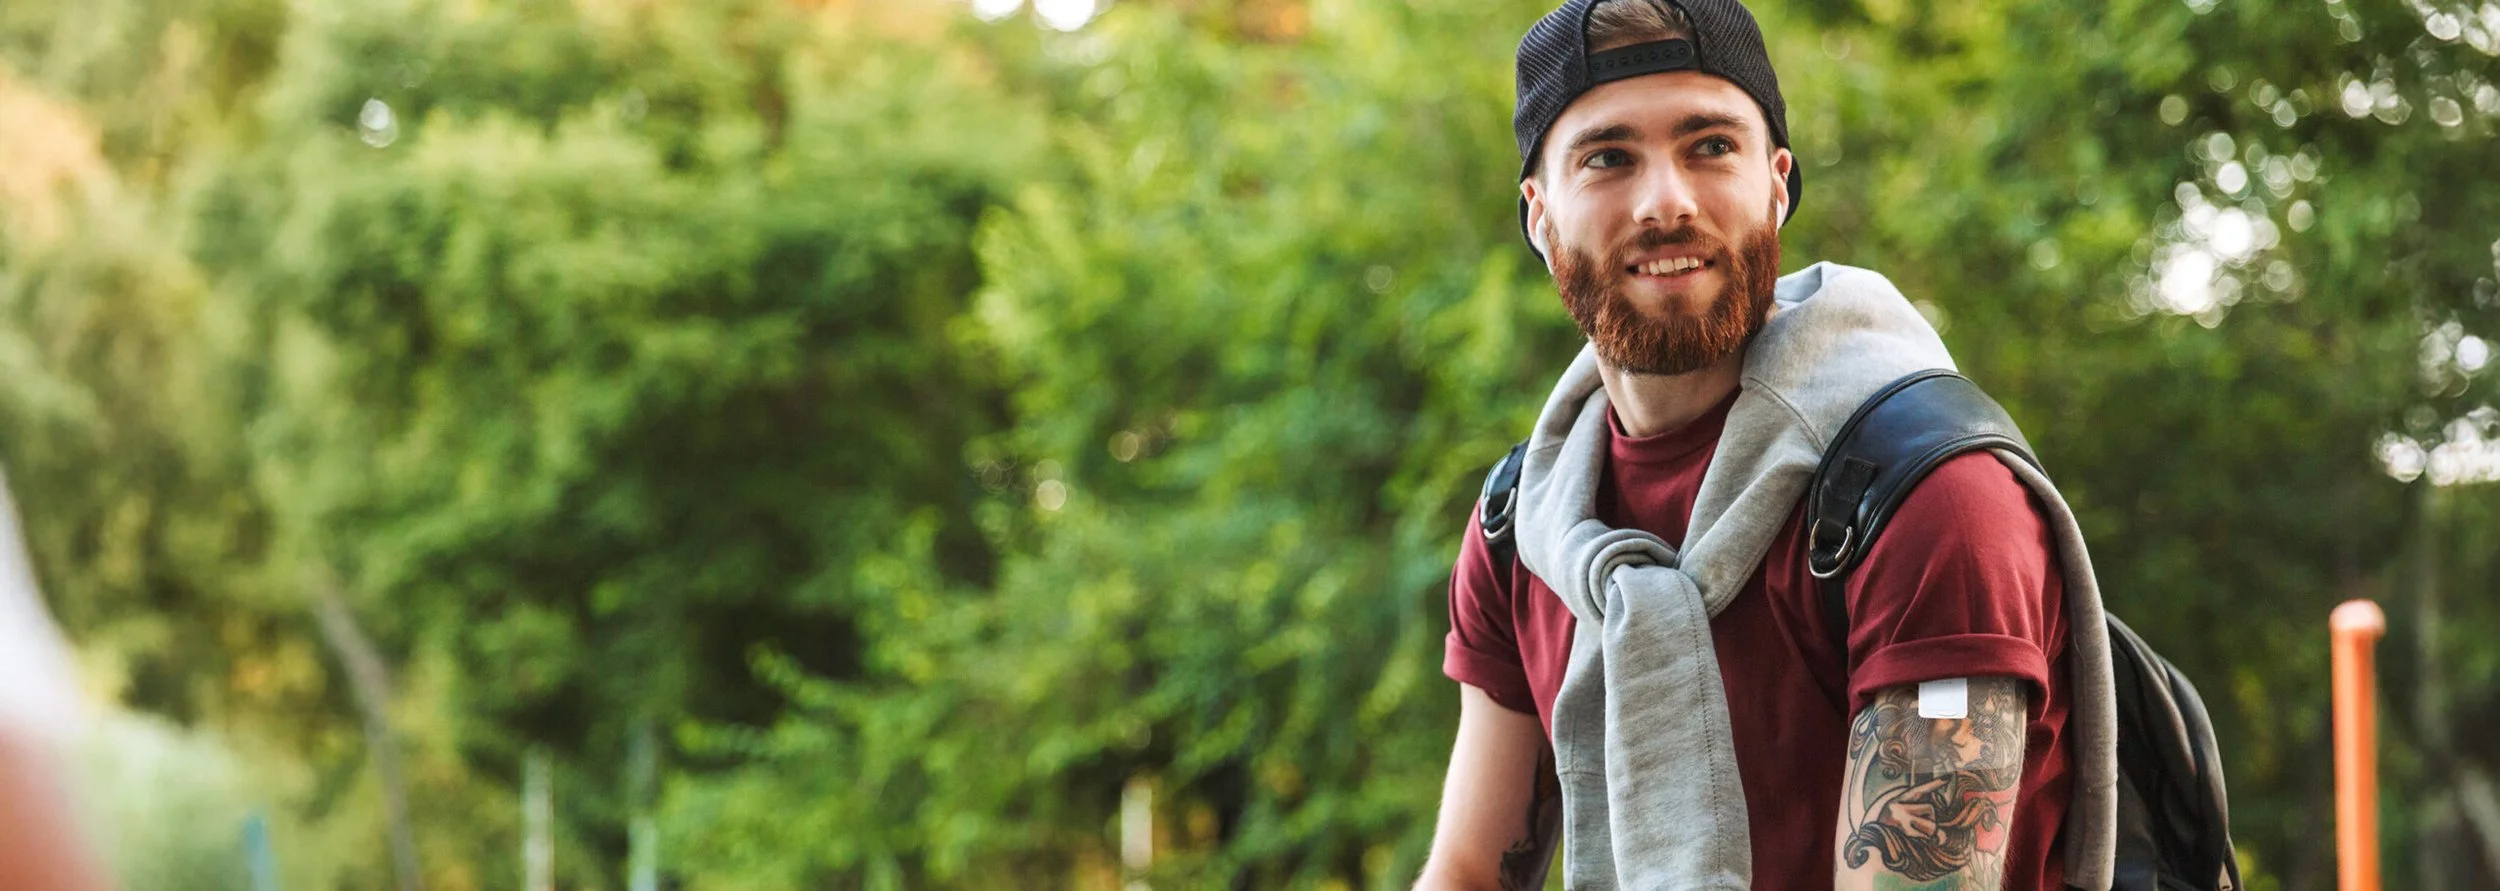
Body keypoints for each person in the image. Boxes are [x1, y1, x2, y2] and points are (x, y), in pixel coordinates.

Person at [1415, 1, 2096, 889]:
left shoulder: (1928, 498)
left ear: (1777, 183)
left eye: (1710, 146)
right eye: (1609, 157)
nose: (1667, 200)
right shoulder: (1528, 523)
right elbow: (1469, 871)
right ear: (1540, 216)